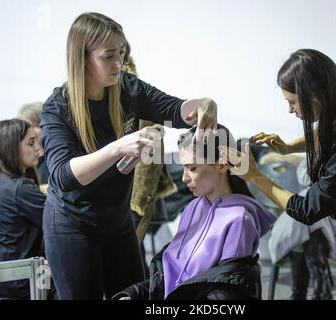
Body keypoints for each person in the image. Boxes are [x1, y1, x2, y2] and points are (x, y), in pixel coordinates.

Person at [40, 12, 218, 300]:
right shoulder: (58, 108)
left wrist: (205, 104)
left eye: (121, 53)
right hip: (72, 225)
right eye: (108, 56)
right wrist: (118, 148)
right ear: (82, 58)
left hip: (116, 221)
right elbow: (63, 177)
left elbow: (176, 111)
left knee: (135, 295)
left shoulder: (128, 89)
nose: (118, 63)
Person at [222, 49, 336, 300]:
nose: (289, 110)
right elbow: (328, 131)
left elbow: (307, 210)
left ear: (314, 95)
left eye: (292, 101)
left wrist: (254, 176)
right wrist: (289, 148)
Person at [114, 125, 275, 300]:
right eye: (183, 167)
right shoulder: (193, 208)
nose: (184, 178)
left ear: (222, 165)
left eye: (192, 168)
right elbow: (172, 276)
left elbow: (225, 292)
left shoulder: (240, 220)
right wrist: (134, 294)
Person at [0, 119, 45, 299]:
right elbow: (60, 219)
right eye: (30, 142)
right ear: (11, 147)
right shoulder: (20, 189)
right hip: (13, 286)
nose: (38, 148)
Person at [18, 102, 49, 194]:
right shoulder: (22, 162)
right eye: (28, 127)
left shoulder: (55, 158)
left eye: (36, 125)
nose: (32, 131)